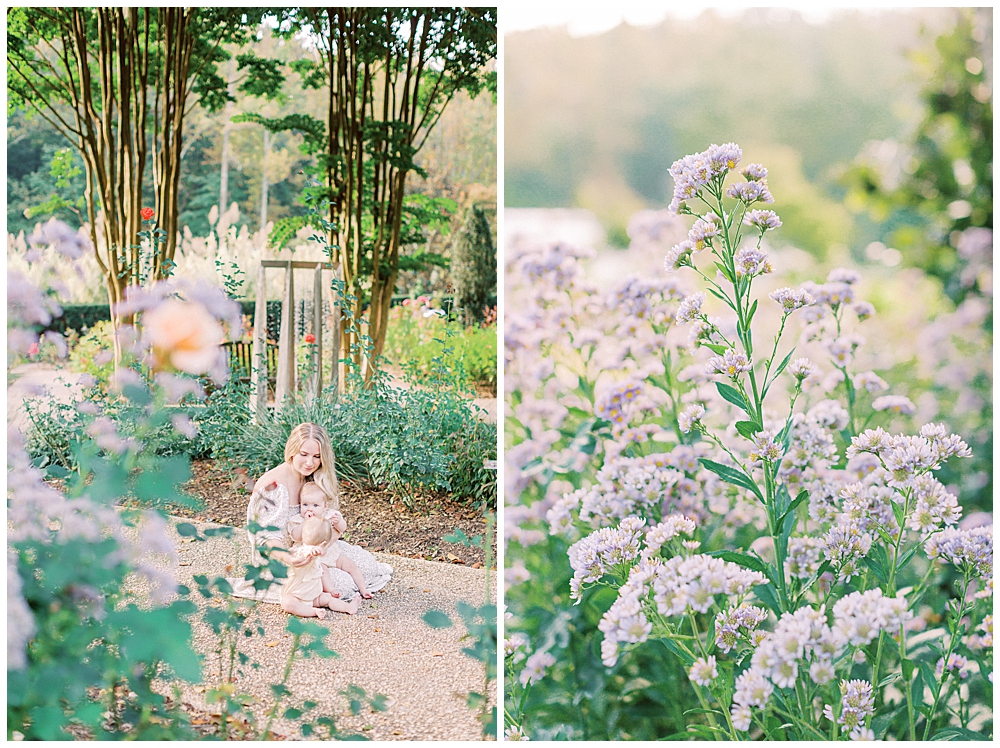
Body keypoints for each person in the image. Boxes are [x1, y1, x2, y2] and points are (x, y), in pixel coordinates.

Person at [227, 422, 392, 604]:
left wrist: (326, 542)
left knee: (367, 565)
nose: (309, 462)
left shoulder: (313, 479)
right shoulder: (273, 486)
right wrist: (289, 557)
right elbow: (265, 537)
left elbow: (329, 525)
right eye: (303, 454)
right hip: (282, 557)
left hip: (316, 548)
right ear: (292, 450)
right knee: (341, 584)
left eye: (316, 456)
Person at [289, 482, 373, 599]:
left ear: (325, 506)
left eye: (315, 505)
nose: (310, 509)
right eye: (305, 504)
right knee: (322, 571)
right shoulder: (298, 520)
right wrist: (305, 523)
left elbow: (342, 529)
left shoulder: (329, 515)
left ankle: (364, 589)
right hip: (312, 555)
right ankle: (331, 591)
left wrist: (338, 522)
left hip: (330, 551)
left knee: (350, 565)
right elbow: (295, 536)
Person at [279, 516, 360, 618]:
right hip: (297, 596)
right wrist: (313, 551)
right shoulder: (303, 552)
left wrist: (330, 590)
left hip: (314, 596)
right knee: (287, 603)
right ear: (324, 544)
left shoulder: (316, 558)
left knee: (329, 598)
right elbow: (307, 552)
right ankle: (313, 611)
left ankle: (348, 607)